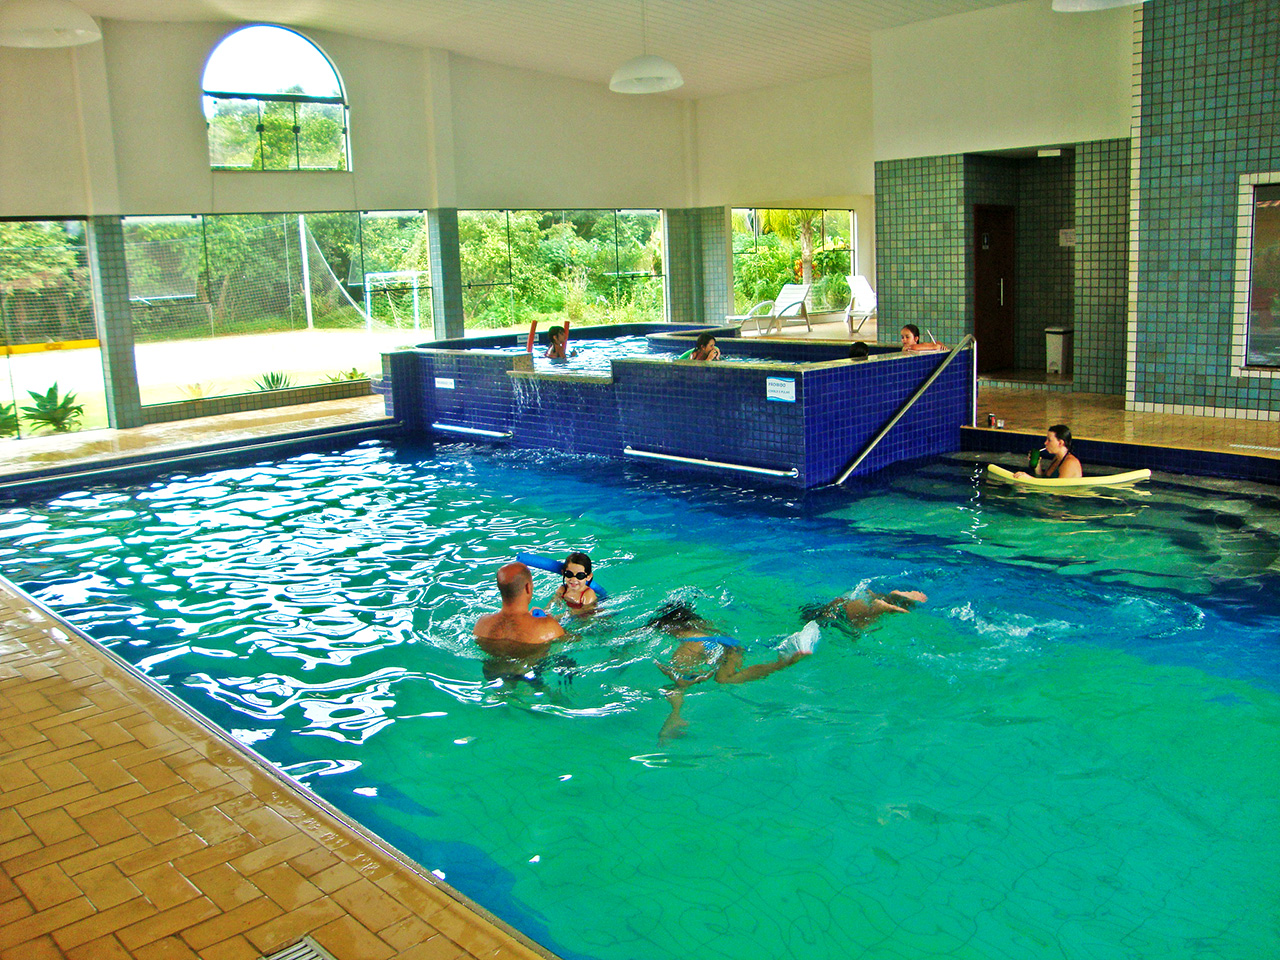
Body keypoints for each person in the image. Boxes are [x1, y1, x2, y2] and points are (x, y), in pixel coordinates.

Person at [648, 601, 811, 740]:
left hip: (703, 645)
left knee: (680, 685)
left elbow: (682, 676)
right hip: (730, 643)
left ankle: (675, 715)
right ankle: (783, 660)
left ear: (671, 628)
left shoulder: (688, 643)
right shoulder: (705, 625)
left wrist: (670, 671)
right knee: (725, 677)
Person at [474, 561, 565, 655]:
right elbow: (572, 640)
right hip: (530, 667)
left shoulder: (481, 625)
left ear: (500, 589)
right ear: (528, 588)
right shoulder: (548, 627)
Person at [806, 587, 928, 633]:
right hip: (850, 598)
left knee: (850, 622)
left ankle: (879, 607)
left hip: (836, 611)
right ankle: (888, 598)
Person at [1014, 423, 1082, 480]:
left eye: (1049, 440)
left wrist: (1029, 479)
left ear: (1060, 443)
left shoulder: (1070, 463)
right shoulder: (1057, 458)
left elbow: (1057, 489)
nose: (1045, 443)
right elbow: (1044, 479)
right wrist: (1037, 466)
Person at [545, 551, 599, 617]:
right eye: (569, 574)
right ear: (563, 573)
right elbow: (551, 604)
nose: (573, 579)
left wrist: (558, 617)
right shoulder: (562, 589)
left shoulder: (588, 594)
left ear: (588, 577)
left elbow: (582, 614)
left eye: (580, 575)